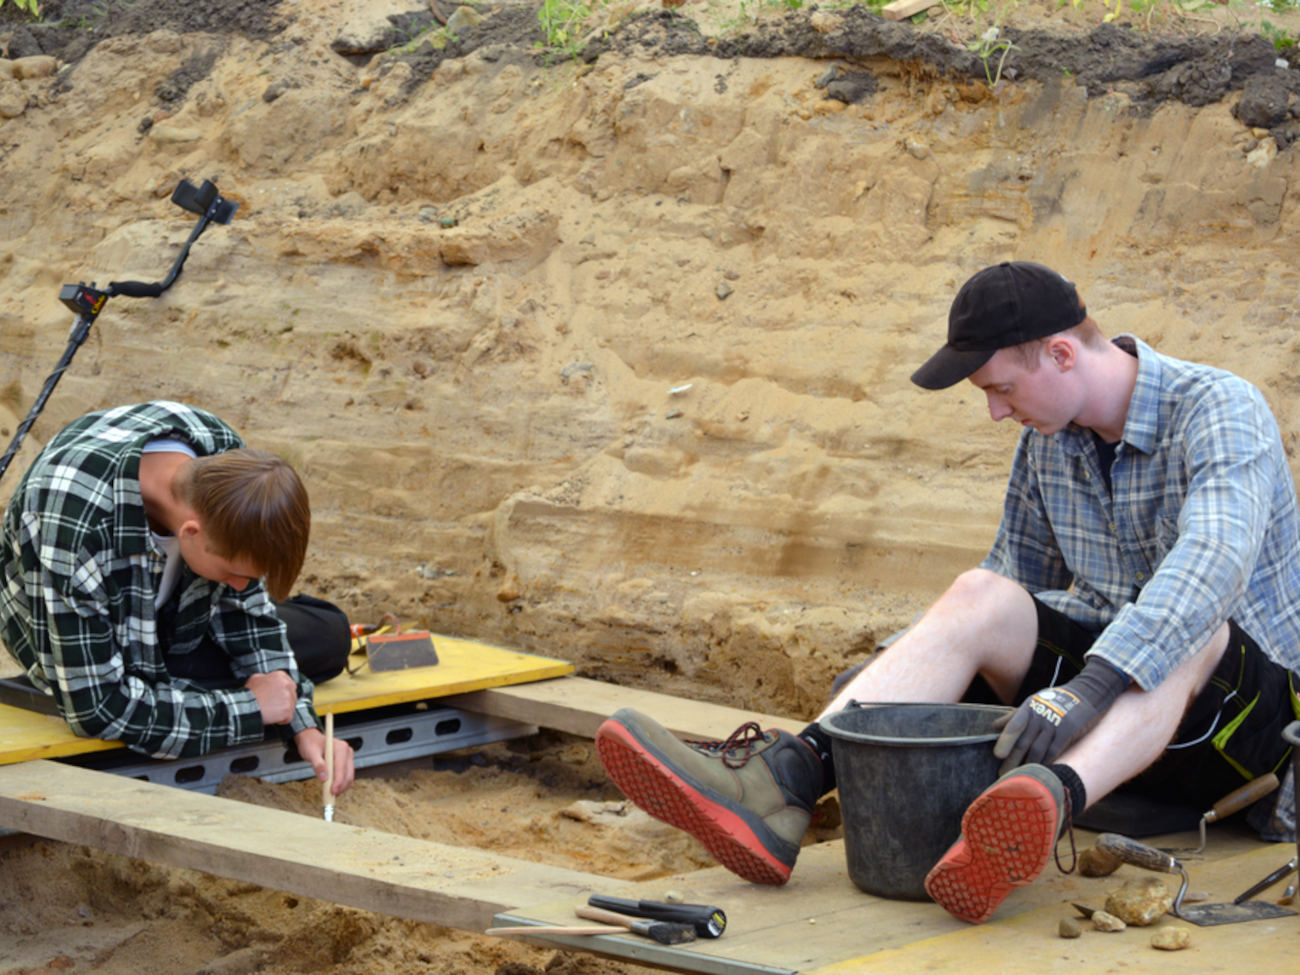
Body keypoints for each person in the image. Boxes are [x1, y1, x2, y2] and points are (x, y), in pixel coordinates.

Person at [594, 261, 1300, 923]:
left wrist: (1088, 688)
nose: (996, 413)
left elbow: (1213, 562)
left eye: (1000, 388)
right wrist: (891, 689)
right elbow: (1008, 585)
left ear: (1059, 354)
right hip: (1119, 732)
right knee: (979, 592)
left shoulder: (1220, 409)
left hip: (1251, 740)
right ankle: (787, 781)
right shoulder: (1049, 441)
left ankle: (1045, 807)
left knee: (1193, 626)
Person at [0, 400, 355, 796]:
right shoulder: (76, 521)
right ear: (190, 532)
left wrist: (302, 723)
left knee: (330, 636)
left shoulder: (220, 455)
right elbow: (97, 710)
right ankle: (178, 691)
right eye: (234, 574)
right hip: (96, 644)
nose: (242, 586)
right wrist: (251, 709)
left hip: (176, 622)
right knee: (132, 699)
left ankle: (180, 692)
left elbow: (249, 614)